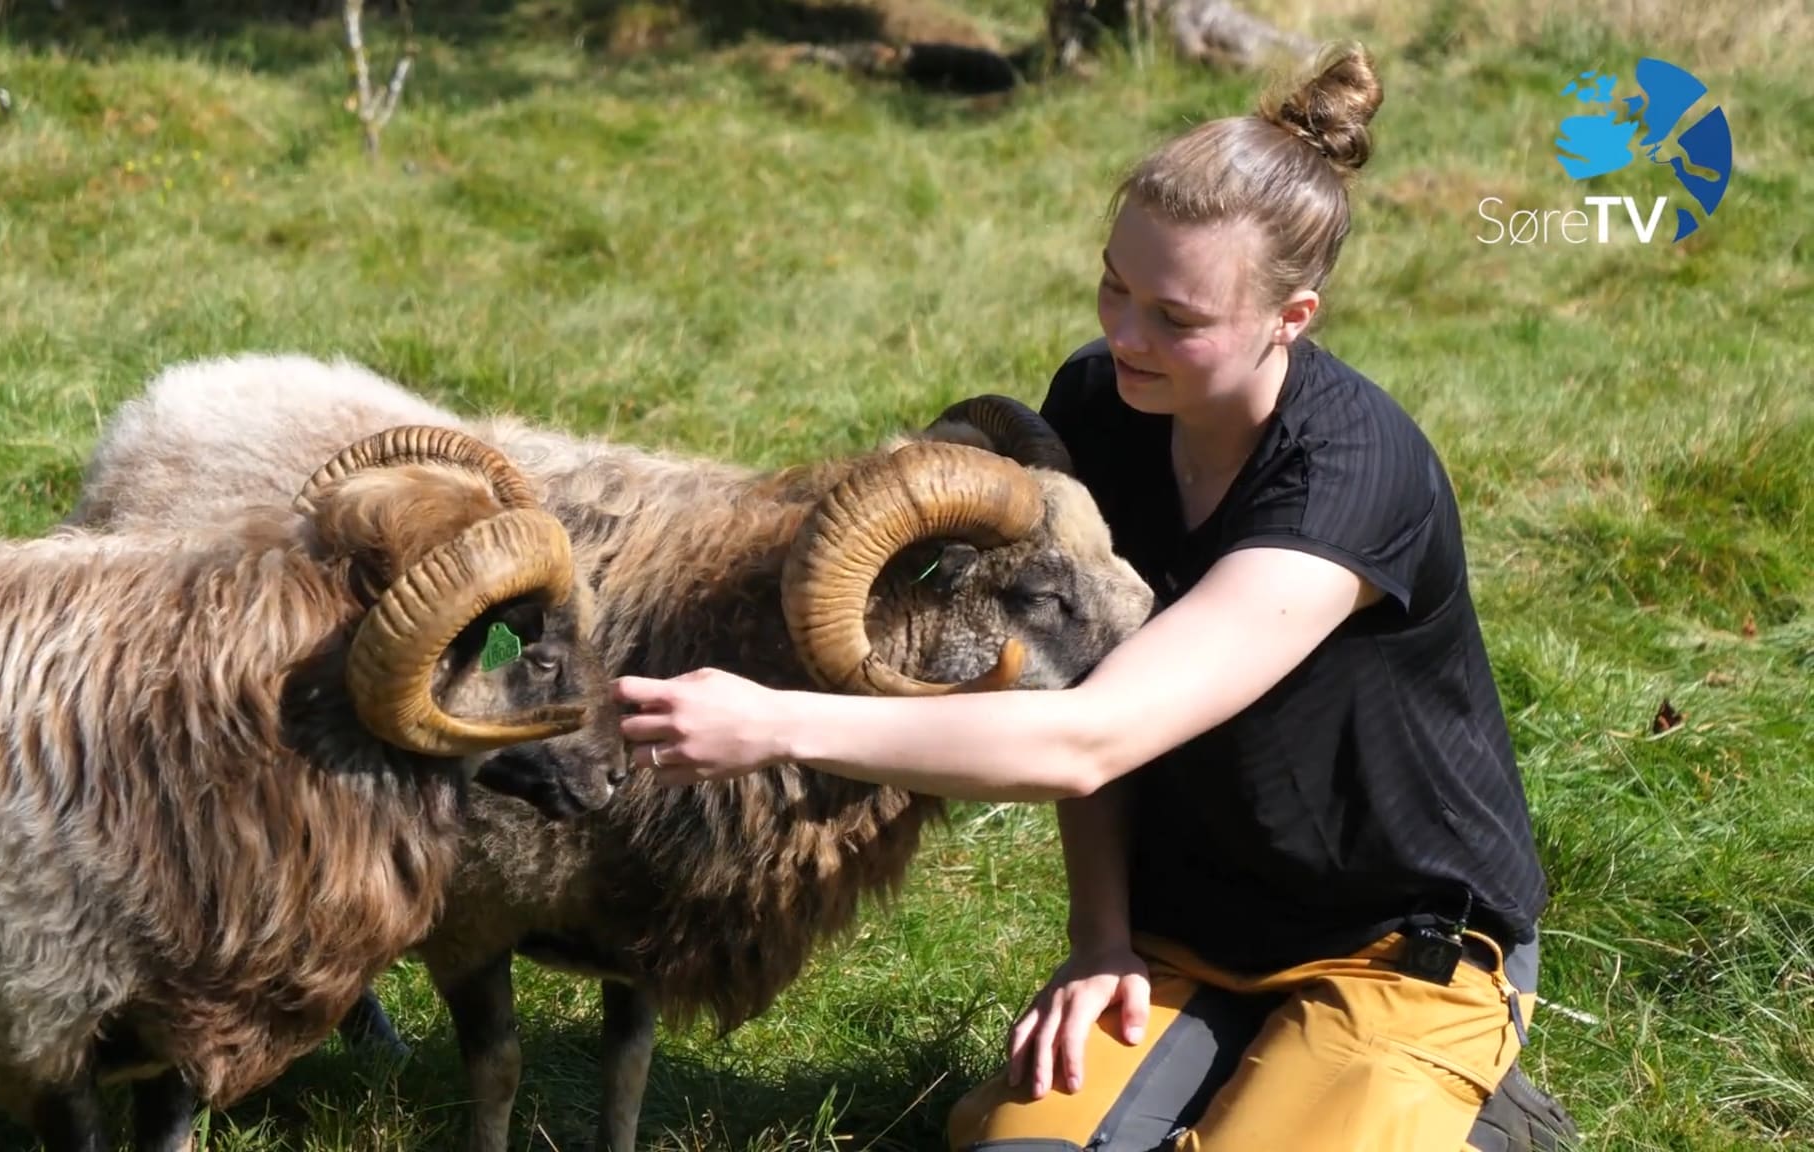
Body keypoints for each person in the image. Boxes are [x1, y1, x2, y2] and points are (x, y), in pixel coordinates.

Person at [611, 40, 1567, 1152]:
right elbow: (1091, 673)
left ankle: (1478, 1112)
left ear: (1289, 320)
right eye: (1114, 285)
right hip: (1188, 925)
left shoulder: (1349, 479)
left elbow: (1088, 736)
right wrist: (1099, 936)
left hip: (1400, 943)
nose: (1124, 335)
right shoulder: (1105, 403)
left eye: (1175, 318)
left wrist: (775, 723)